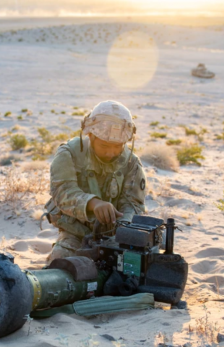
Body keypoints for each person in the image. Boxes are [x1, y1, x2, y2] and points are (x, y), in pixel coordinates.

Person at [44, 101, 147, 262]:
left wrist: (123, 228)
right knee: (60, 264)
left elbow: (133, 204)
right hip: (76, 232)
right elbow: (62, 192)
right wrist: (93, 203)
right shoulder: (69, 154)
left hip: (115, 235)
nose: (111, 152)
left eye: (118, 146)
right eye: (104, 146)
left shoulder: (131, 163)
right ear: (90, 135)